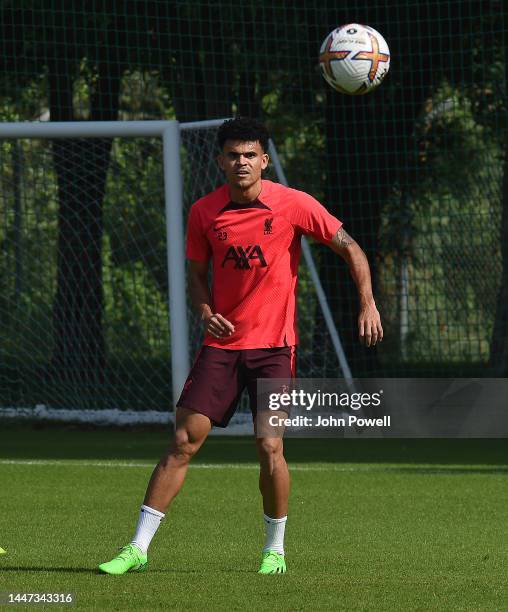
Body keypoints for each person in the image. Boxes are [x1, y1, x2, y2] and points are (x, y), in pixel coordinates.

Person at [98, 116, 383, 575]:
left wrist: (367, 303)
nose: (242, 162)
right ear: (220, 161)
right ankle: (137, 548)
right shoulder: (204, 212)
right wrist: (206, 312)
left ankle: (275, 549)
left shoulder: (294, 205)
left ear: (264, 160)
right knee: (182, 441)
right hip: (222, 349)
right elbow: (194, 274)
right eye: (233, 155)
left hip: (274, 349)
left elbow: (351, 248)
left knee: (269, 445)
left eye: (250, 154)